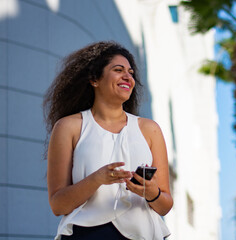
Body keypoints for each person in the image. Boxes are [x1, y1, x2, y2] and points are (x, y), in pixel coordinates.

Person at [43, 41, 173, 240]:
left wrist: (152, 192)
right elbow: (58, 205)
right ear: (94, 79)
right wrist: (97, 179)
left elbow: (165, 206)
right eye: (118, 70)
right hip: (86, 234)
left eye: (131, 72)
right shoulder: (68, 127)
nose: (128, 77)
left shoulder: (150, 129)